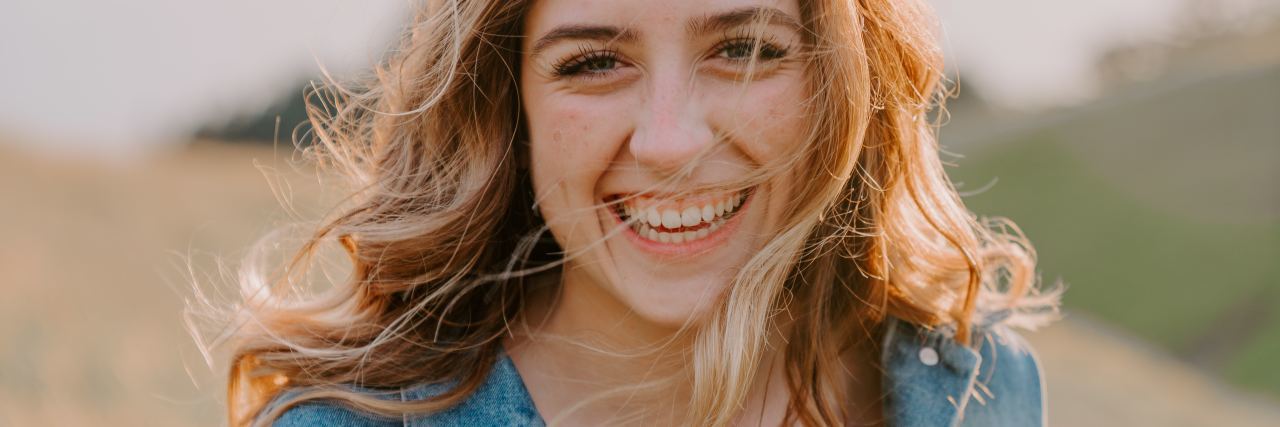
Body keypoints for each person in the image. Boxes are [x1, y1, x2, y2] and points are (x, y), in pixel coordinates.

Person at [200, 0, 1060, 425]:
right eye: (594, 63)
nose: (669, 141)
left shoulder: (973, 386)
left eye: (744, 49)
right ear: (512, 105)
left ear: (839, 76)